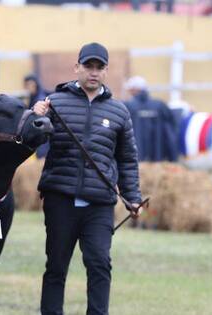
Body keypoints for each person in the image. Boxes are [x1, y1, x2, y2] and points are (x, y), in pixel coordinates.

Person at [33, 42, 142, 315]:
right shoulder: (53, 103)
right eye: (88, 66)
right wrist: (33, 119)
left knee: (99, 264)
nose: (93, 72)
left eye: (99, 67)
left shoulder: (119, 112)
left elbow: (127, 159)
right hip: (61, 198)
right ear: (77, 68)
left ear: (106, 72)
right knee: (56, 266)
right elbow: (31, 144)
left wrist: (133, 198)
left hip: (99, 204)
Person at [124, 76, 179, 162]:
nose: (129, 92)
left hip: (135, 160)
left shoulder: (127, 106)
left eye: (130, 89)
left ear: (135, 89)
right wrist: (173, 157)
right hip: (158, 160)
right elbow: (171, 133)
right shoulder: (160, 105)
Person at [24, 74, 51, 158]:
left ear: (35, 84)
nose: (28, 87)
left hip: (42, 137)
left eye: (30, 84)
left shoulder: (40, 99)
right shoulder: (33, 97)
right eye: (26, 85)